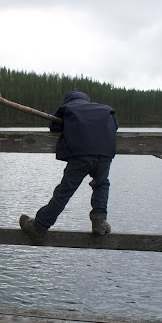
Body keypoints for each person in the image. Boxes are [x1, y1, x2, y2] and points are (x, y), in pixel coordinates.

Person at [20, 91, 118, 236]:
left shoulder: (68, 108)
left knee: (65, 191)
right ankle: (99, 220)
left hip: (81, 155)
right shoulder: (105, 109)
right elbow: (115, 126)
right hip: (105, 154)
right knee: (101, 184)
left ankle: (39, 226)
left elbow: (54, 126)